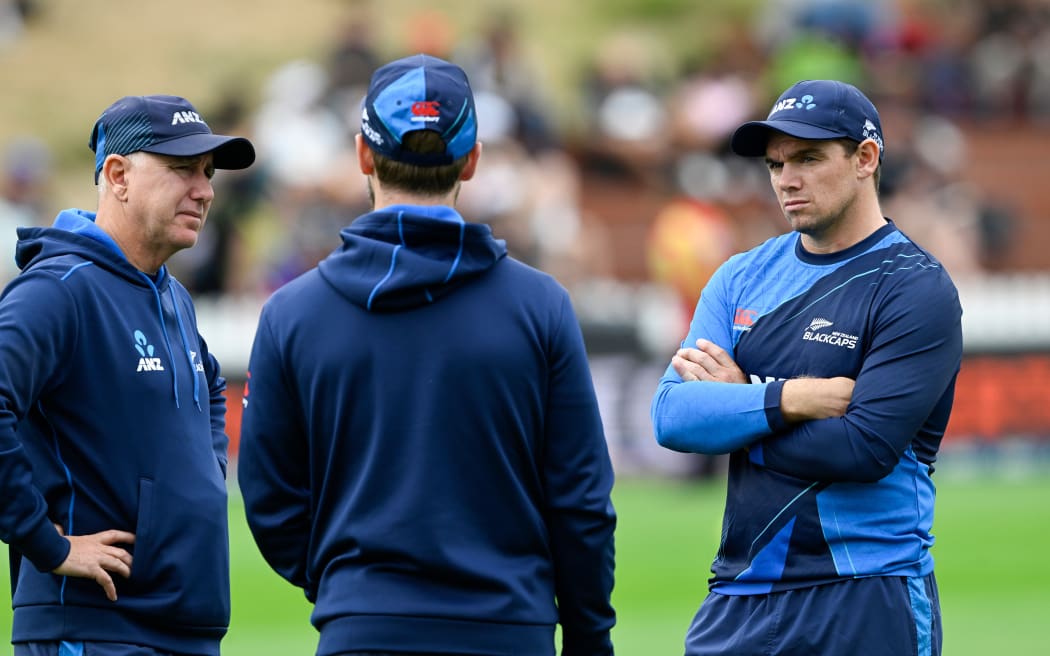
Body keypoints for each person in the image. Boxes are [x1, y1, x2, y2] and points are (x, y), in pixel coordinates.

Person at [237, 54, 617, 656]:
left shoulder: (291, 313)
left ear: (362, 155)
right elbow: (581, 500)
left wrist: (351, 587)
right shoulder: (541, 305)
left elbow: (268, 494)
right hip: (509, 632)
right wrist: (590, 634)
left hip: (360, 630)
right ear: (472, 160)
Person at [650, 79, 963, 656]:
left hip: (867, 594)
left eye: (809, 158)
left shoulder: (915, 288)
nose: (786, 179)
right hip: (741, 593)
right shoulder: (739, 276)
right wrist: (786, 399)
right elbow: (673, 417)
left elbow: (862, 449)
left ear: (866, 158)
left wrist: (737, 410)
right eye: (775, 165)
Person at [0, 94, 254, 655]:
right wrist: (48, 544)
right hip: (94, 631)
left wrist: (206, 474)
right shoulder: (58, 291)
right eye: (183, 169)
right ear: (117, 175)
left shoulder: (173, 296)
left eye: (208, 174)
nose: (205, 190)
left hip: (183, 630)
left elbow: (211, 384)